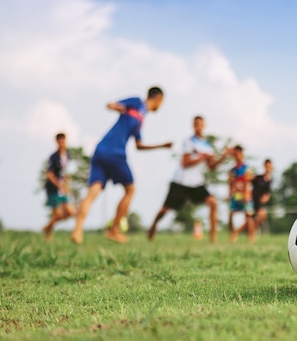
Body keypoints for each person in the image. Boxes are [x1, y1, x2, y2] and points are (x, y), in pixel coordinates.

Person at [70, 87, 172, 245]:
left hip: (100, 150)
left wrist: (161, 145)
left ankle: (77, 232)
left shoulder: (141, 119)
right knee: (130, 189)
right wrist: (119, 107)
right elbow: (110, 105)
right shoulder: (137, 102)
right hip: (114, 152)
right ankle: (114, 230)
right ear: (158, 99)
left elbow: (139, 145)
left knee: (93, 191)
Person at [148, 115, 230, 243]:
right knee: (165, 209)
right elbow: (185, 162)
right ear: (193, 126)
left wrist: (224, 156)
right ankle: (153, 226)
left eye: (200, 124)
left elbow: (212, 167)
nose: (198, 126)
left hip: (197, 183)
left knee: (213, 203)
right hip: (181, 182)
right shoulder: (188, 142)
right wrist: (202, 157)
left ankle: (213, 239)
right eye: (196, 124)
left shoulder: (207, 146)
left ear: (204, 126)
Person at [42, 133, 76, 241]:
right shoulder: (54, 157)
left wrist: (67, 182)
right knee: (56, 214)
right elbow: (49, 174)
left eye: (64, 141)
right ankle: (48, 234)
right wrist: (59, 184)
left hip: (63, 188)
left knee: (70, 212)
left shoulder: (67, 155)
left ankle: (47, 227)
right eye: (60, 141)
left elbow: (64, 172)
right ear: (57, 142)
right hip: (53, 188)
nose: (62, 143)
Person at [228, 145, 255, 243]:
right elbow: (230, 184)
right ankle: (233, 235)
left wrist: (246, 194)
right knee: (231, 214)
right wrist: (229, 195)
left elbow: (247, 182)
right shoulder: (232, 170)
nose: (237, 156)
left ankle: (251, 237)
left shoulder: (247, 168)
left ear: (242, 154)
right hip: (235, 195)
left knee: (248, 216)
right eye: (235, 154)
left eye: (239, 153)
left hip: (246, 195)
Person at [252, 159, 273, 232]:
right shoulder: (258, 177)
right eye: (267, 166)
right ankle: (248, 232)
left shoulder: (270, 180)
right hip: (253, 200)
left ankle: (252, 231)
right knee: (259, 216)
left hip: (260, 202)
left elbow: (267, 192)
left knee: (262, 216)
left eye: (270, 166)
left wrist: (267, 197)